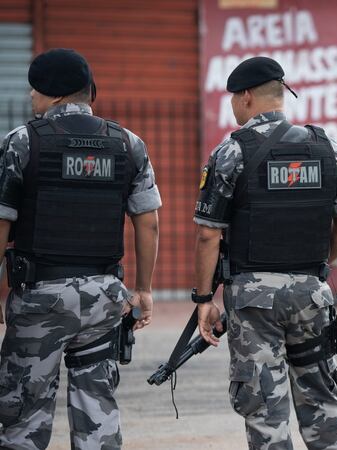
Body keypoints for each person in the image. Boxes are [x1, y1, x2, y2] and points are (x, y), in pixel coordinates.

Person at [192, 56, 337, 449]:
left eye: (234, 97)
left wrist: (203, 299)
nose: (233, 104)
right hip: (312, 294)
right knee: (322, 400)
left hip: (254, 300)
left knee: (265, 406)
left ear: (246, 97)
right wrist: (318, 265)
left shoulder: (232, 151)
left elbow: (208, 235)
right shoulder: (326, 147)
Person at [0, 48, 160, 449]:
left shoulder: (22, 143)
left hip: (40, 298)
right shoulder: (129, 144)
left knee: (23, 413)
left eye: (34, 92)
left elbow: (2, 223)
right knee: (97, 411)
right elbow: (149, 221)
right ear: (88, 91)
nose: (31, 100)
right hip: (105, 297)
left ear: (51, 95)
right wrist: (143, 289)